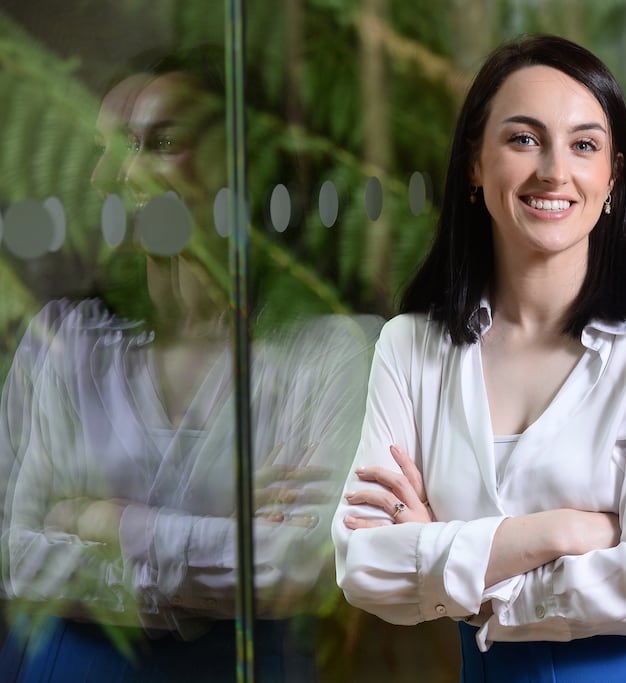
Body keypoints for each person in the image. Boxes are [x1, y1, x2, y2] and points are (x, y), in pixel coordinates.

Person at [332, 34, 626, 681]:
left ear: (613, 175)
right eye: (524, 139)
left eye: (584, 144)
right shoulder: (410, 347)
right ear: (474, 164)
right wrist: (561, 532)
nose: (555, 170)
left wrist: (460, 574)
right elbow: (363, 565)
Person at [0, 48, 379, 682]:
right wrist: (214, 540)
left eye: (162, 142)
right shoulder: (66, 342)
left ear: (246, 164)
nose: (116, 174)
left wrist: (101, 520)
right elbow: (13, 556)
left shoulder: (333, 351)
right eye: (112, 148)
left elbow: (301, 567)